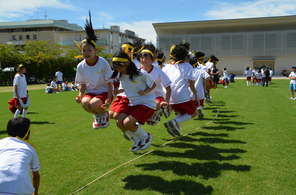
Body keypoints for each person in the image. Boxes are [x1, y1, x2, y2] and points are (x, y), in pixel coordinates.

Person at [75, 12, 113, 129]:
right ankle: (97, 115)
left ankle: (104, 114)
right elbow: (82, 84)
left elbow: (110, 83)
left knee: (94, 103)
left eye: (89, 50)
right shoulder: (81, 66)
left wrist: (108, 99)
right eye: (84, 50)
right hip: (91, 93)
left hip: (104, 92)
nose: (86, 53)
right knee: (85, 104)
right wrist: (80, 95)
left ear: (95, 50)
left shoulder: (103, 63)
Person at [111, 51, 156, 152]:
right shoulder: (121, 75)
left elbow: (153, 85)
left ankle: (146, 137)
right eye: (116, 67)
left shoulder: (141, 73)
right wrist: (119, 91)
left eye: (119, 67)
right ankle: (137, 139)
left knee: (127, 123)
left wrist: (145, 91)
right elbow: (129, 87)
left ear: (127, 63)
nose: (118, 70)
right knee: (119, 122)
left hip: (146, 103)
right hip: (134, 103)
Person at [162, 44, 200, 137]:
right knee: (195, 112)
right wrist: (196, 96)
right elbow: (191, 84)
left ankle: (175, 123)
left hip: (169, 98)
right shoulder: (187, 66)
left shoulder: (166, 66)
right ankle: (174, 122)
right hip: (181, 96)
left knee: (184, 112)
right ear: (185, 56)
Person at [0, 118, 40, 195]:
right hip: (19, 189)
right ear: (27, 134)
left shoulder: (1, 142)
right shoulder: (29, 148)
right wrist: (35, 193)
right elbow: (35, 176)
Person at [140, 48, 172, 125]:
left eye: (146, 58)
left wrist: (167, 102)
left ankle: (156, 113)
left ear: (152, 59)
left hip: (158, 96)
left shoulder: (158, 71)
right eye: (142, 58)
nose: (144, 60)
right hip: (145, 97)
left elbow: (168, 88)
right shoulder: (139, 71)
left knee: (156, 104)